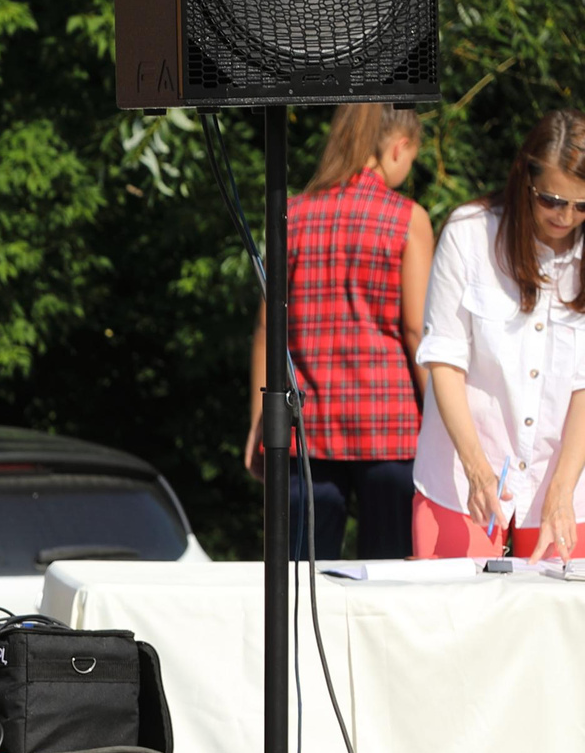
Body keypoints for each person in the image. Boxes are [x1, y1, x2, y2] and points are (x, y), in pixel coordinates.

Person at [243, 104, 434, 560]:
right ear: (399, 147)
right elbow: (416, 330)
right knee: (390, 579)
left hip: (307, 430)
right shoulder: (407, 219)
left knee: (299, 580)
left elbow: (268, 327)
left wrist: (259, 422)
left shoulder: (292, 213)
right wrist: (443, 426)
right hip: (390, 430)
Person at [409, 109, 585, 558]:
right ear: (525, 181)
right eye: (552, 200)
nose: (566, 217)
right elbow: (444, 361)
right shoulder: (468, 233)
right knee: (453, 601)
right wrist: (477, 469)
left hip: (564, 484)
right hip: (459, 475)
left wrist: (562, 489)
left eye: (582, 206)